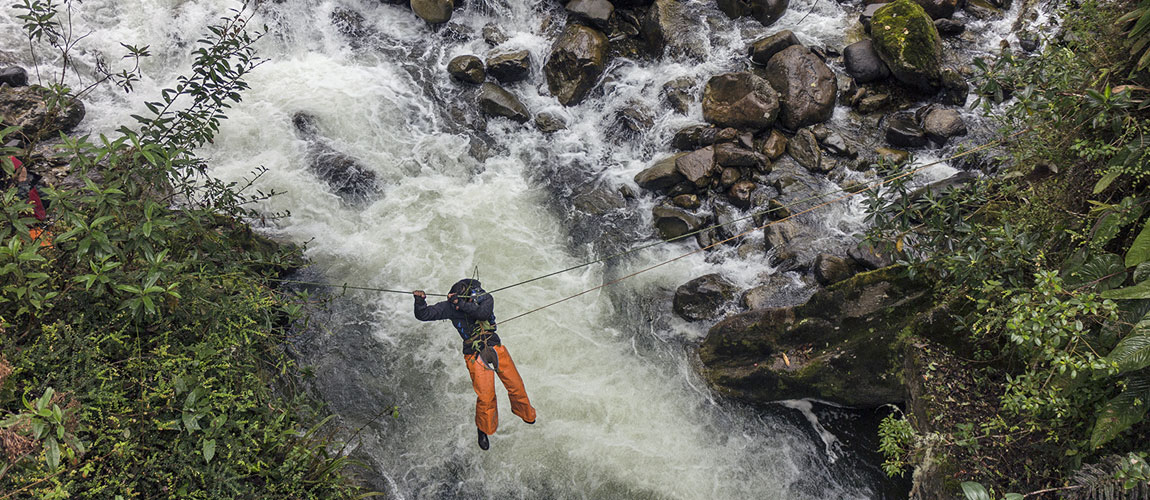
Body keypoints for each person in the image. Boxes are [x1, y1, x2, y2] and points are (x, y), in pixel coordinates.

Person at [413, 278, 536, 451]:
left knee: (515, 384)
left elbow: (482, 314)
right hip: (473, 353)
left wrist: (461, 304)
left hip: (494, 345)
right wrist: (420, 301)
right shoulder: (450, 306)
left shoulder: (485, 298)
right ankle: (483, 429)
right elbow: (424, 315)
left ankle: (525, 413)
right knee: (486, 396)